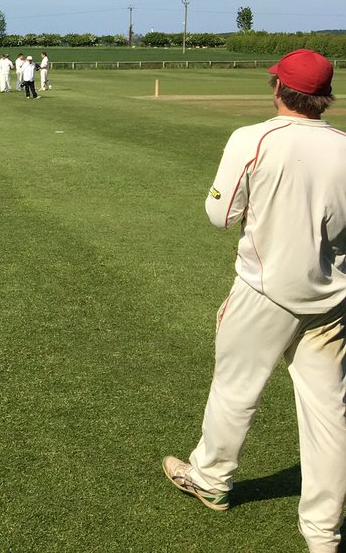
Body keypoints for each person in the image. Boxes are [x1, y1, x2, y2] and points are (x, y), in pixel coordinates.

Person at [163, 48, 346, 553]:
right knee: (329, 414)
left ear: (279, 88)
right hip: (330, 297)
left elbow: (220, 216)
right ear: (323, 97)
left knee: (235, 389)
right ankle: (323, 533)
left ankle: (211, 478)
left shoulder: (254, 138)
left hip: (263, 291)